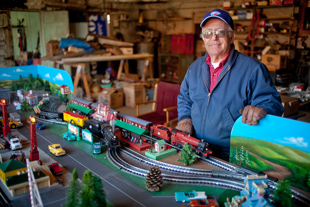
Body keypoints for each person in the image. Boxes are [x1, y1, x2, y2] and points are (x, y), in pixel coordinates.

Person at [176, 9, 284, 161]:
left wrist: (262, 109)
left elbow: (273, 104)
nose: (213, 37)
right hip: (196, 145)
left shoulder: (253, 69)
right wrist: (185, 119)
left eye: (220, 32)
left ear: (232, 36)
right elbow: (185, 98)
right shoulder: (194, 67)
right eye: (208, 33)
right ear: (203, 38)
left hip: (232, 150)